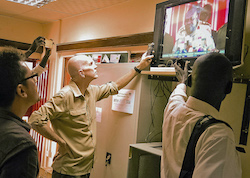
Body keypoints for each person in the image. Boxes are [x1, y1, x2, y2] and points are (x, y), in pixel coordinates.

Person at [29, 52, 153, 177]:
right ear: (81, 73)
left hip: (86, 168)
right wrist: (61, 142)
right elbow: (35, 119)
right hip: (67, 171)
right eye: (90, 64)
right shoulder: (65, 95)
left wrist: (138, 67)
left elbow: (114, 86)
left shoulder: (91, 92)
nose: (95, 66)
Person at [161, 52, 242, 178]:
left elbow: (176, 96)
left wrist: (182, 82)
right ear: (229, 88)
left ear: (189, 81)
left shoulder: (173, 111)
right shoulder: (218, 136)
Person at [0, 36, 51, 178]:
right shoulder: (21, 145)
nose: (36, 80)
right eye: (32, 78)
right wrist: (30, 51)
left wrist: (35, 53)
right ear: (21, 91)